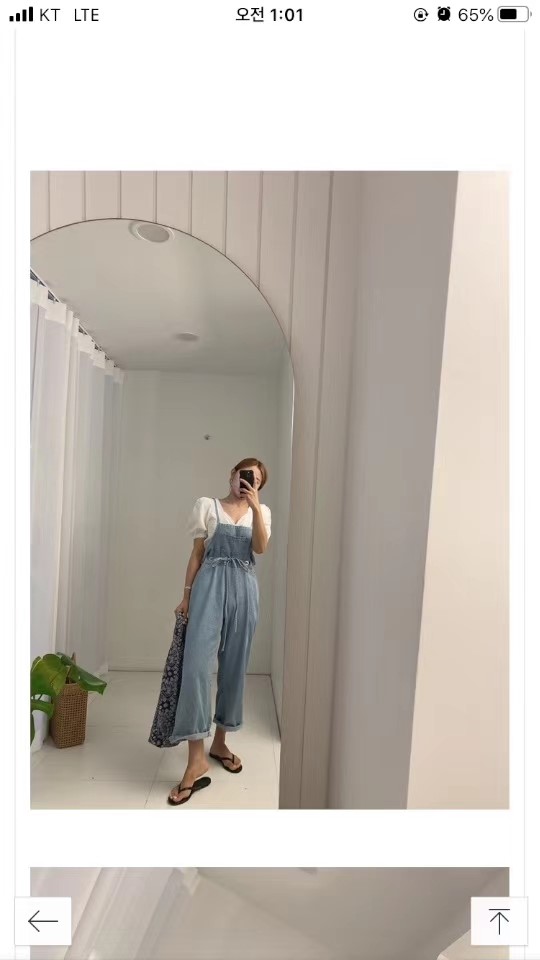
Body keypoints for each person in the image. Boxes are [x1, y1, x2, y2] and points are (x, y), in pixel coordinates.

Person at [152, 458, 271, 805]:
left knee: (234, 668)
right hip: (208, 587)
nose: (247, 482)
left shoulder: (261, 512)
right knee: (196, 670)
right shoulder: (207, 507)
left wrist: (255, 507)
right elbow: (196, 555)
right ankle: (196, 760)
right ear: (232, 475)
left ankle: (219, 743)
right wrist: (186, 596)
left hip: (245, 591)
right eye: (244, 475)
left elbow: (260, 548)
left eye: (255, 480)